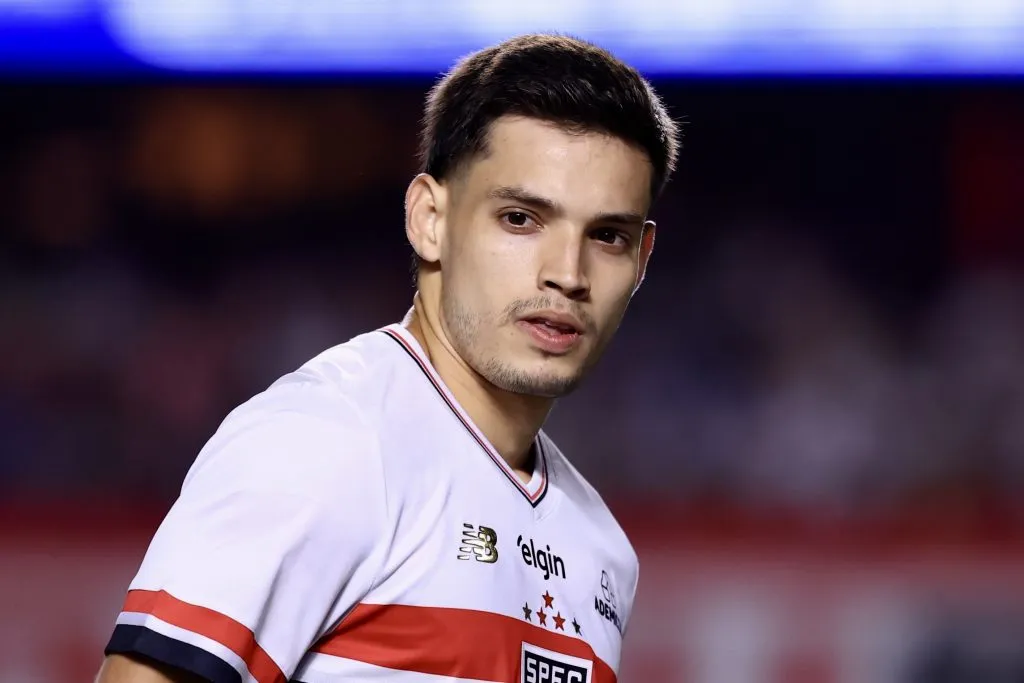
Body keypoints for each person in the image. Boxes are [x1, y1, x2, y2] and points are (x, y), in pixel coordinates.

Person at [95, 32, 679, 683]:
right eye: (520, 218)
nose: (567, 273)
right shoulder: (325, 442)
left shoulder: (600, 550)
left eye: (607, 235)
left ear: (641, 261)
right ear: (429, 218)